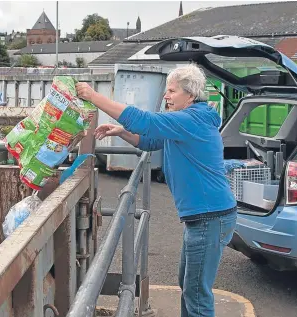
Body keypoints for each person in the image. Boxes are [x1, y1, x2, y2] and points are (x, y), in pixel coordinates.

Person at [75, 64, 237, 317]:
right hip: (204, 217)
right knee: (189, 286)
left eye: (172, 91)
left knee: (196, 295)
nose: (166, 95)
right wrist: (124, 133)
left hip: (210, 217)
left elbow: (145, 122)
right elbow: (151, 140)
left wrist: (93, 97)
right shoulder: (188, 120)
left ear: (190, 95)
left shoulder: (191, 120)